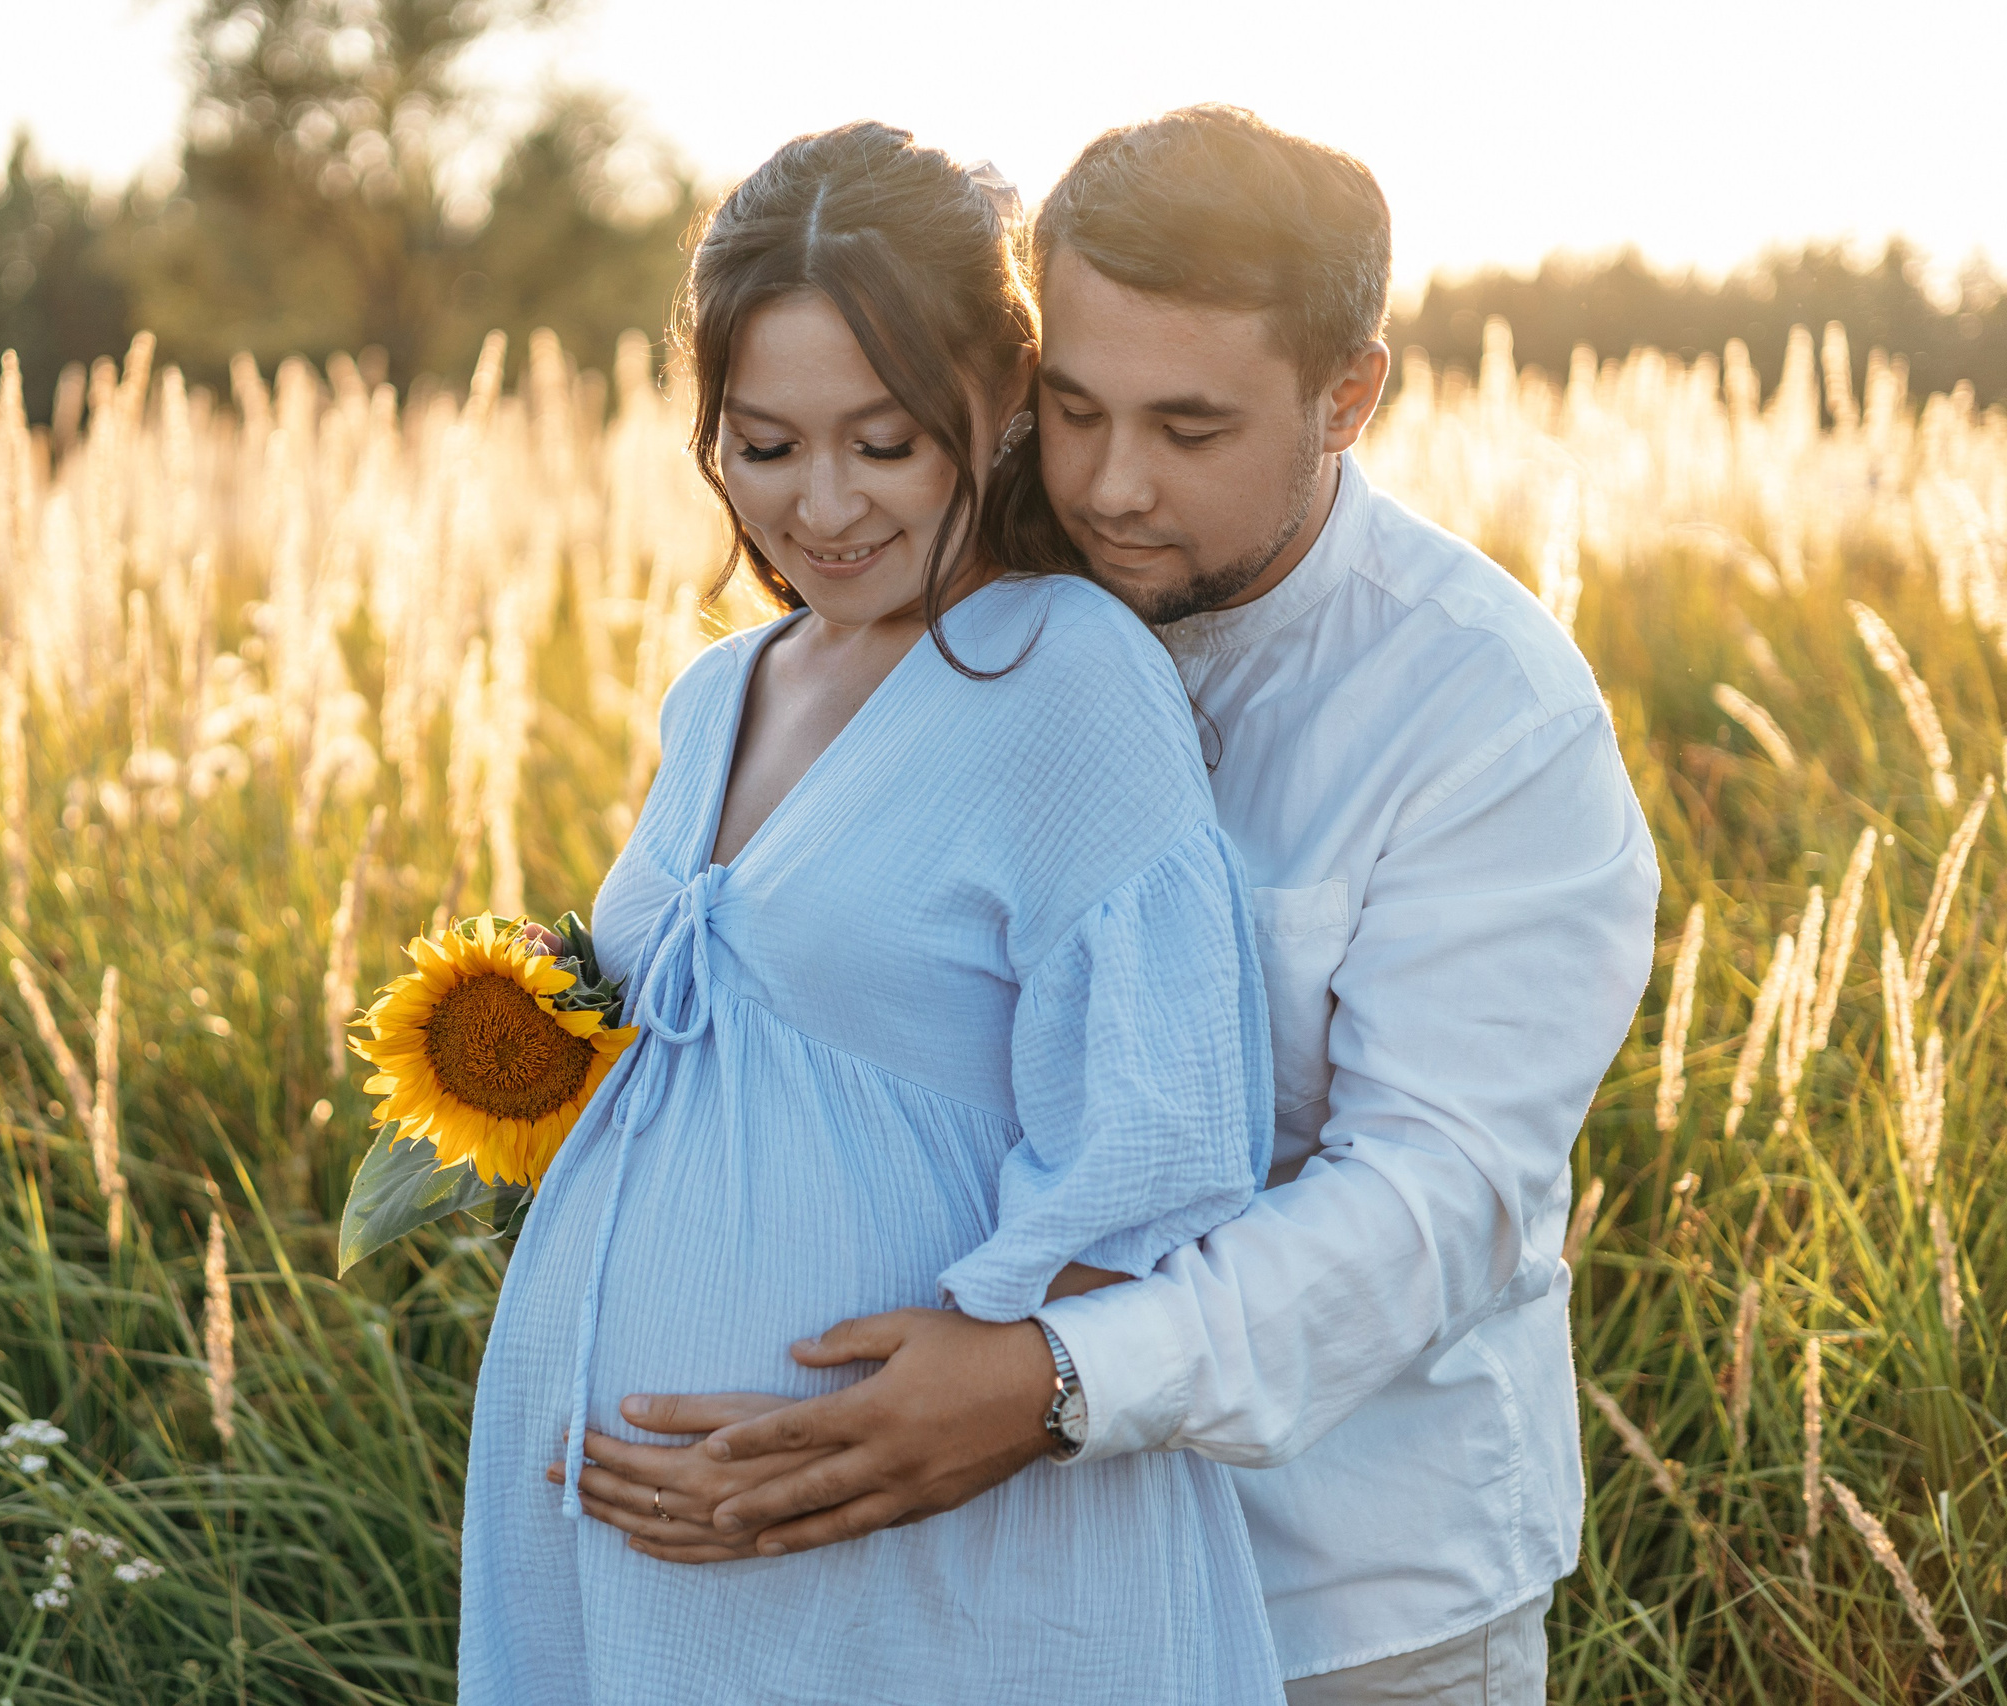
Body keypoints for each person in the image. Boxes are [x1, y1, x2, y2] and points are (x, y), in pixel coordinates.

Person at [564, 108, 1660, 1705]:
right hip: (985, 1592)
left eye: (1192, 428)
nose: (1114, 485)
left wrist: (1050, 1380)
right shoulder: (928, 616)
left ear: (1348, 394)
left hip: (1346, 1599)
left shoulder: (1483, 714)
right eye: (1071, 409)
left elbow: (1437, 1195)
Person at [458, 120, 1287, 1703]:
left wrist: (924, 1429)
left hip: (930, 1549)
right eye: (764, 445)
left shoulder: (1063, 674)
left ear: (998, 408)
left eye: (883, 442)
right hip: (644, 1542)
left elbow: (1157, 1143)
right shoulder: (720, 693)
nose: (821, 506)